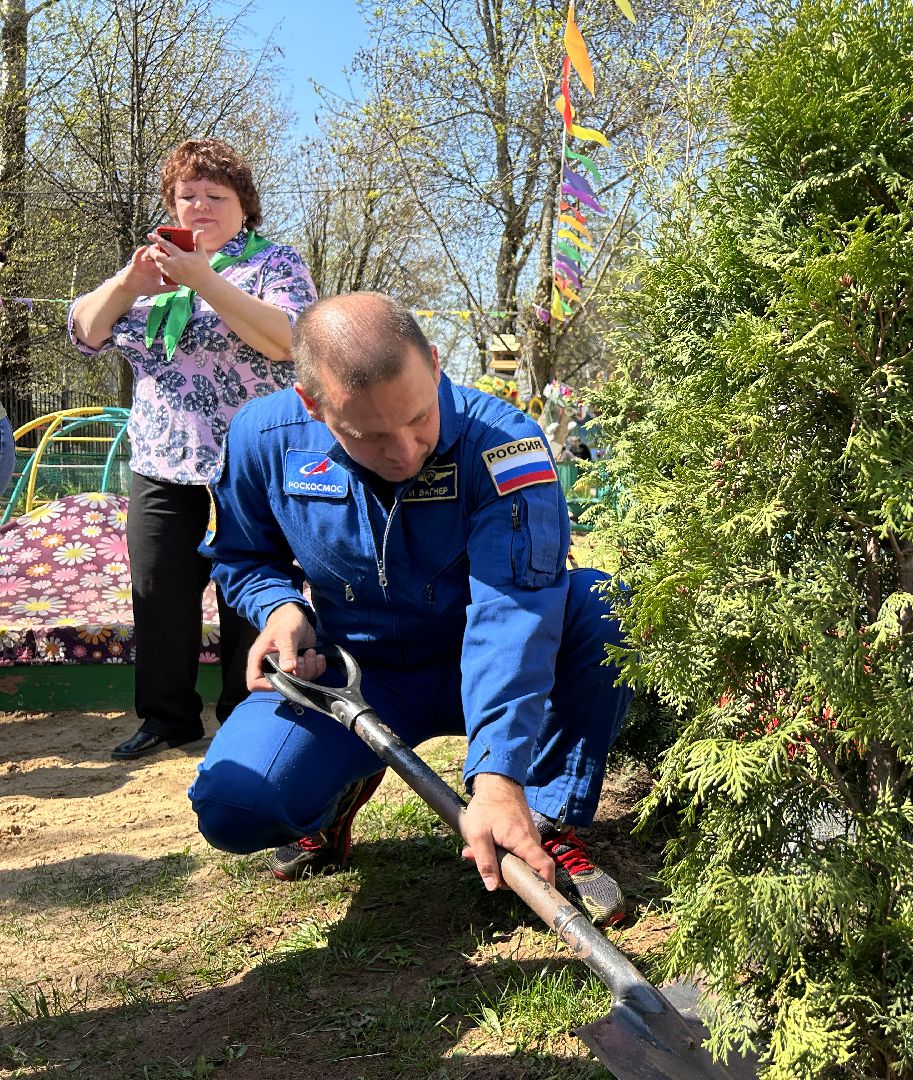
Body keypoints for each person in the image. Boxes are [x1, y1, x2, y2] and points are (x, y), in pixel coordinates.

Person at [187, 293, 634, 926]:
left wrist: (498, 778)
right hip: (355, 675)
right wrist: (280, 607)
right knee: (235, 807)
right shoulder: (263, 438)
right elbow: (241, 556)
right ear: (312, 405)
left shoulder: (504, 445)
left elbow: (515, 611)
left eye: (420, 418)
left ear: (433, 362)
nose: (403, 452)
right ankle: (332, 792)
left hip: (476, 663)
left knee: (597, 605)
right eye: (368, 435)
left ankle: (542, 814)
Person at [68, 139, 317, 761]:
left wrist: (204, 279)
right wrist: (129, 282)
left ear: (244, 207)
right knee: (159, 592)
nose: (200, 206)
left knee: (249, 594)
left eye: (216, 196)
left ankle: (246, 714)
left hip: (250, 465)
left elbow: (288, 341)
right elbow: (85, 331)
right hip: (160, 462)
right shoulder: (153, 268)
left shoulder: (273, 263)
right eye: (187, 196)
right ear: (171, 204)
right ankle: (167, 718)